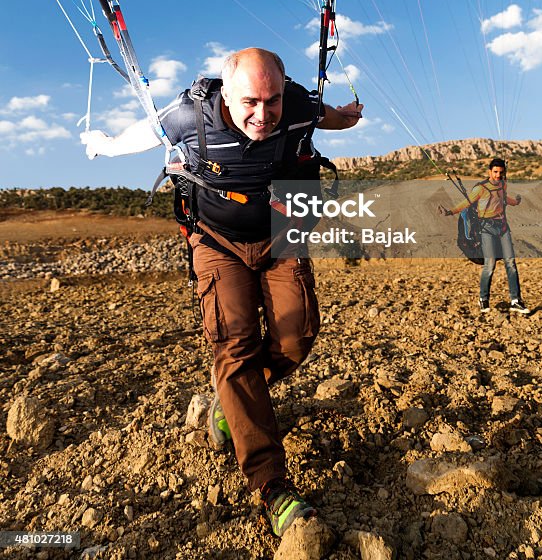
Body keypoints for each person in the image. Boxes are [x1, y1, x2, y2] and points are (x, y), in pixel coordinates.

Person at [81, 47, 363, 536]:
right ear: (226, 95)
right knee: (235, 347)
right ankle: (272, 487)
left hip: (280, 234)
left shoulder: (296, 105)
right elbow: (145, 134)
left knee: (296, 341)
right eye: (250, 101)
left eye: (271, 101)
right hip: (216, 242)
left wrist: (348, 118)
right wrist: (103, 145)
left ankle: (232, 401)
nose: (263, 114)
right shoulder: (192, 113)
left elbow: (329, 117)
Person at [439, 157, 529, 315]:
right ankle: (483, 298)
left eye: (501, 172)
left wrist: (516, 202)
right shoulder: (480, 189)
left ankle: (516, 300)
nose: (498, 175)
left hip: (502, 228)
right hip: (486, 228)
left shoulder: (503, 184)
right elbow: (466, 203)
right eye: (495, 172)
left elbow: (503, 199)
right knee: (490, 264)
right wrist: (449, 212)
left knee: (511, 263)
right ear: (489, 172)